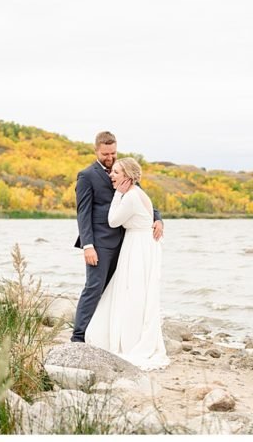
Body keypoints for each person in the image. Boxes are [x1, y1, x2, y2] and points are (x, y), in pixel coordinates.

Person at [72, 131, 163, 343]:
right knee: (94, 287)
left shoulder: (124, 170)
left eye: (113, 152)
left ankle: (108, 333)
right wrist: (88, 245)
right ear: (96, 151)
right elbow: (83, 213)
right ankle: (78, 336)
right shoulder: (87, 176)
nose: (110, 157)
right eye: (105, 153)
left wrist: (158, 219)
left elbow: (141, 198)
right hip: (100, 243)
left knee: (118, 290)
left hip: (126, 242)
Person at [84, 157, 169, 370]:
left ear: (127, 177)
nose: (111, 175)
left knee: (133, 292)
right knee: (135, 292)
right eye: (112, 172)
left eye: (116, 173)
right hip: (141, 245)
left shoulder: (129, 196)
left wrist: (117, 195)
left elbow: (113, 221)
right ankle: (131, 335)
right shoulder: (138, 193)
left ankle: (130, 341)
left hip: (139, 247)